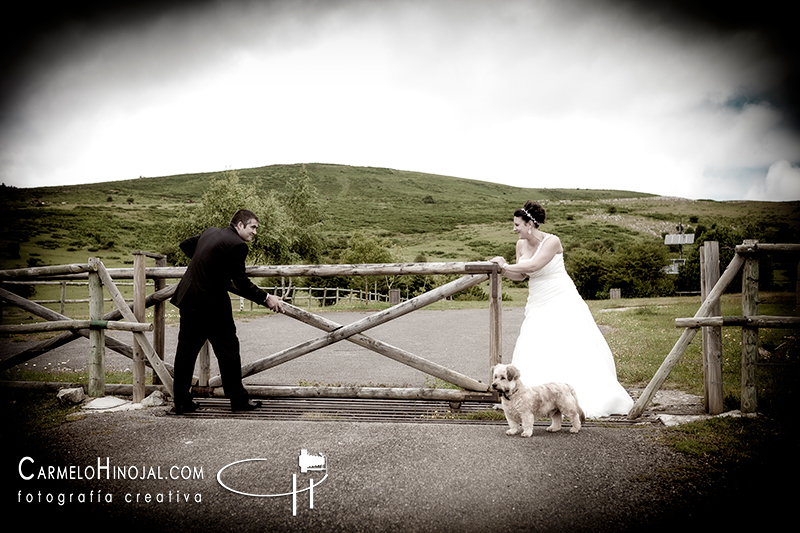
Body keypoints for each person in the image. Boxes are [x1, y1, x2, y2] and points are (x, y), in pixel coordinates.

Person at [490, 201, 634, 418]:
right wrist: (499, 269)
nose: (514, 229)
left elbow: (533, 266)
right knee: (536, 341)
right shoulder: (520, 245)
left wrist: (504, 265)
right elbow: (521, 275)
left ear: (530, 224)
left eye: (517, 224)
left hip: (560, 297)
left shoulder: (552, 241)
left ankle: (572, 398)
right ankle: (535, 400)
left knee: (567, 342)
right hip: (537, 299)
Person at [170, 209, 285, 414]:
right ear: (239, 225)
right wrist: (267, 299)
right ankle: (238, 401)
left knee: (185, 354)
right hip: (212, 306)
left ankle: (181, 402)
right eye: (253, 227)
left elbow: (185, 245)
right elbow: (241, 283)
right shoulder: (237, 245)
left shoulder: (210, 232)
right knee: (229, 351)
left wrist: (207, 263)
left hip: (188, 298)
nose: (255, 232)